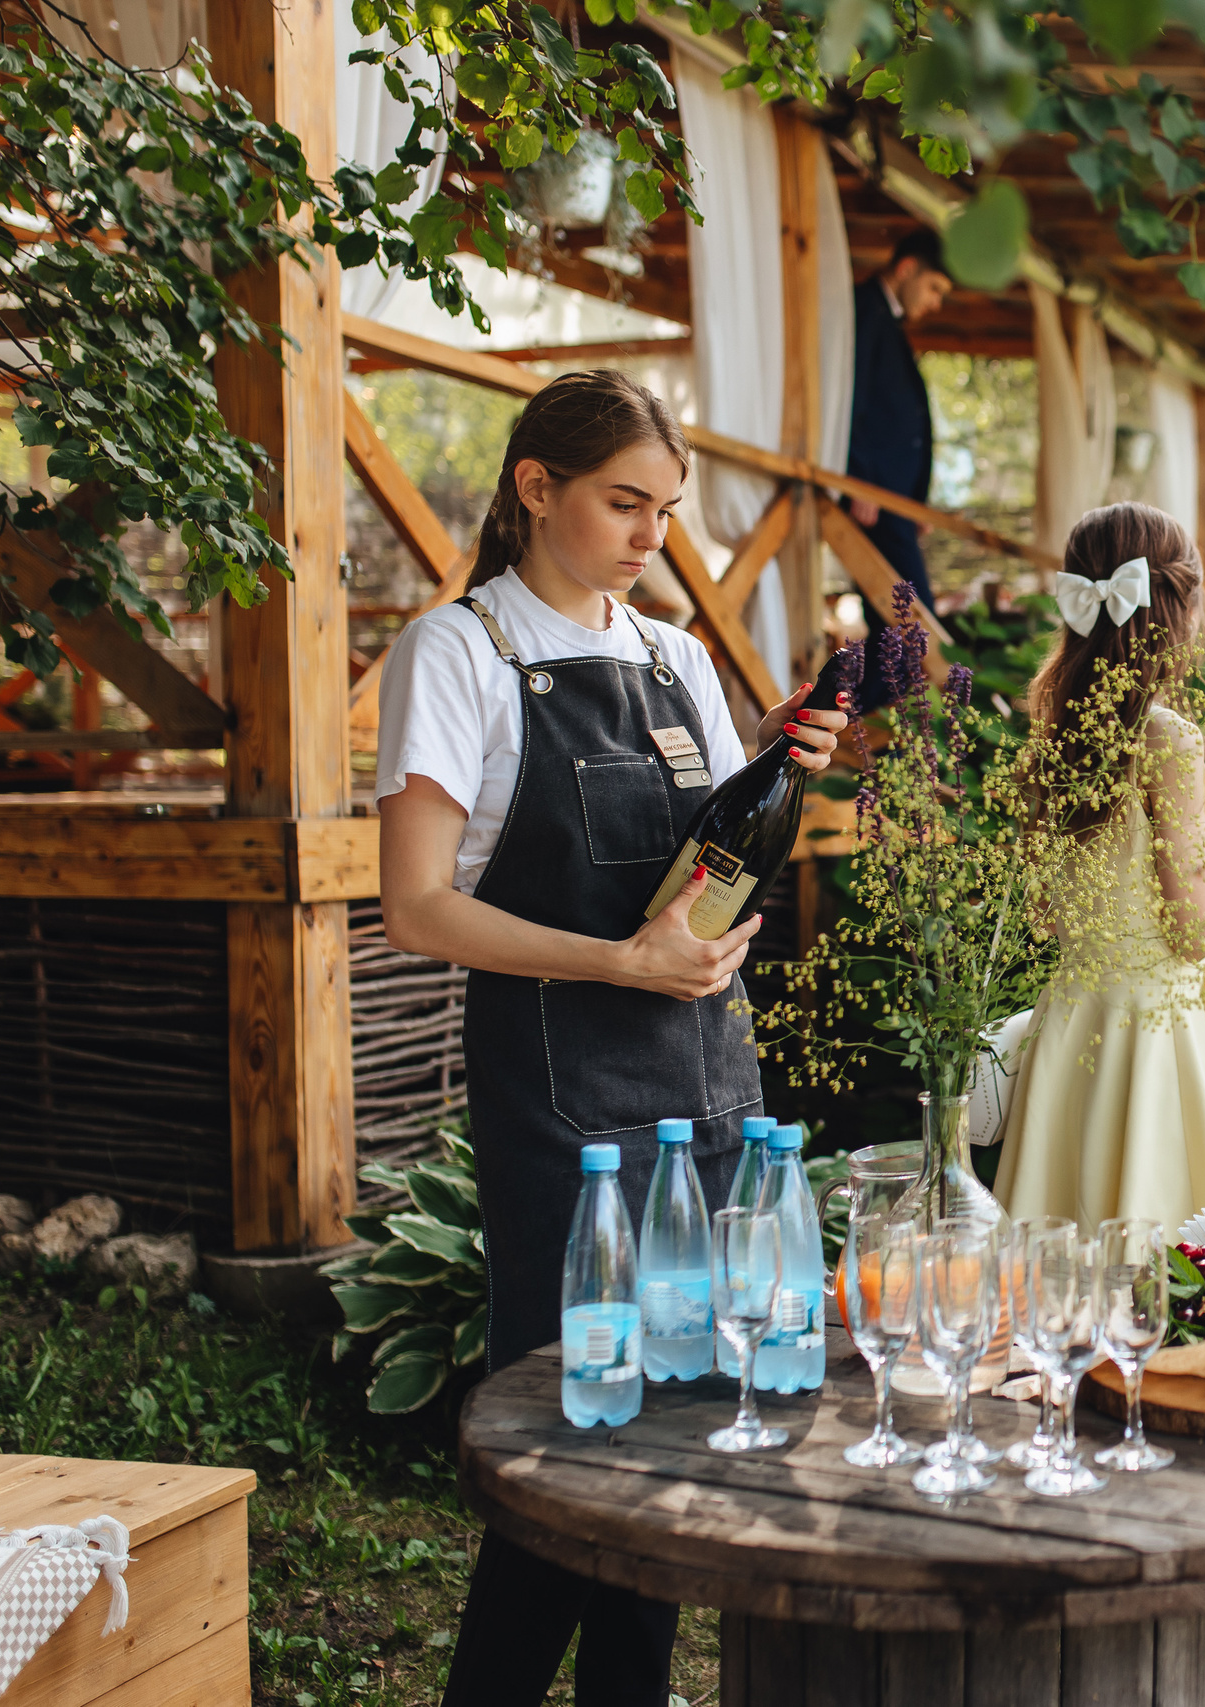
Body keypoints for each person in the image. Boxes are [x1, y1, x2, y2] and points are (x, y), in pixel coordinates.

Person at [372, 372, 846, 1706]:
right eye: (624, 502)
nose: (652, 534)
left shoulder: (675, 656)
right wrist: (619, 960)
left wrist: (774, 768)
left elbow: (695, 866)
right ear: (535, 486)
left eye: (667, 510)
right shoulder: (456, 653)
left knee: (681, 1444)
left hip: (711, 1092)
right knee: (574, 1448)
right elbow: (415, 906)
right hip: (567, 1112)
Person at [993, 502, 1205, 1227]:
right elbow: (1198, 929)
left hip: (1075, 1023)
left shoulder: (1054, 733)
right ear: (1180, 607)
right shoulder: (1167, 738)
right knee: (1161, 1278)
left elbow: (1060, 909)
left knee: (1066, 1262)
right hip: (1151, 1036)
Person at [846, 227, 954, 629]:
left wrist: (917, 500)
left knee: (893, 630)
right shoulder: (863, 309)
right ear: (907, 269)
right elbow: (847, 398)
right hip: (874, 501)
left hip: (894, 505)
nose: (936, 303)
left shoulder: (885, 321)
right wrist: (858, 479)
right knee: (913, 626)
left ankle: (859, 696)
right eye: (933, 288)